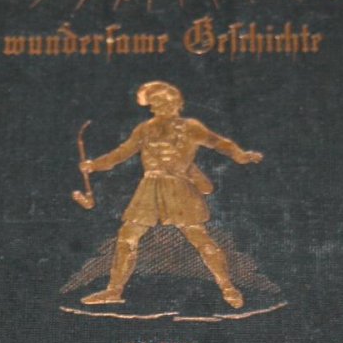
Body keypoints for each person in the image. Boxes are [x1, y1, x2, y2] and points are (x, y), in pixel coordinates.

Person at [80, 81, 263, 308]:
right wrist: (94, 165)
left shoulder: (191, 127)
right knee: (127, 237)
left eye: (162, 101)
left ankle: (228, 287)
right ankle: (113, 291)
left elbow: (220, 143)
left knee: (200, 238)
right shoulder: (144, 129)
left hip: (179, 188)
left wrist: (241, 156)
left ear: (176, 102)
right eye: (154, 102)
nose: (158, 106)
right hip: (149, 188)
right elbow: (121, 153)